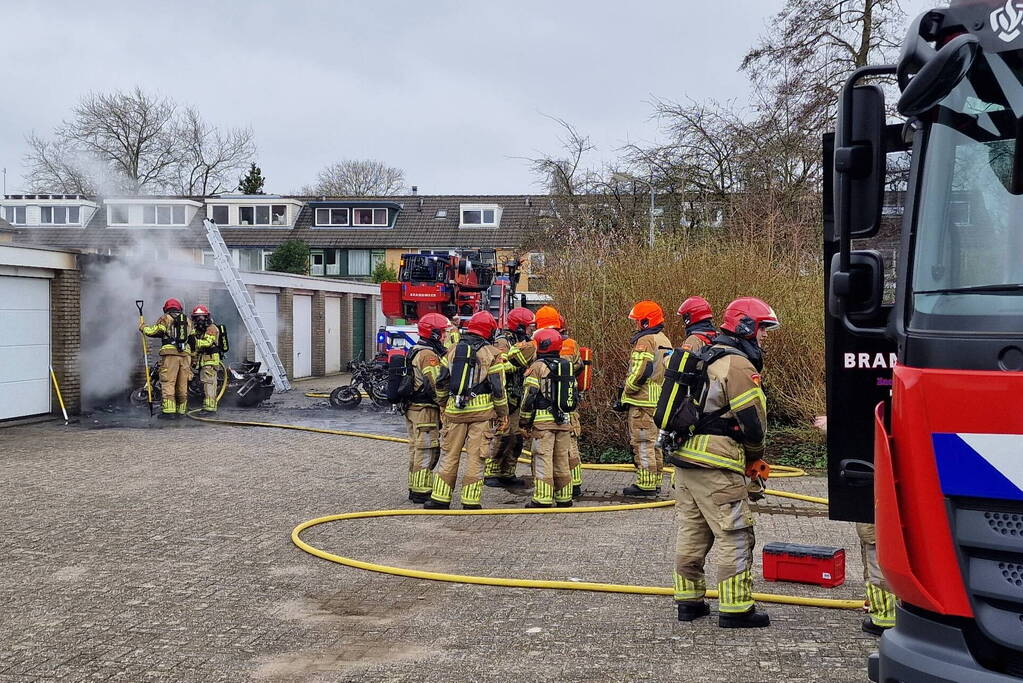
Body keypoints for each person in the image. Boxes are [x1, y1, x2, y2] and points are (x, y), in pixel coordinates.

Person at [672, 297, 778, 627]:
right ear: (746, 327)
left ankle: (689, 603)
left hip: (686, 460)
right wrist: (755, 457)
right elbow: (752, 423)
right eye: (762, 330)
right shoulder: (738, 365)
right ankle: (736, 609)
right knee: (735, 535)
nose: (763, 338)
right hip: (718, 464)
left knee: (693, 532)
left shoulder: (703, 355)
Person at [813, 415, 895, 636]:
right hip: (882, 479)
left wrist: (836, 426)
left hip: (876, 484)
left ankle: (885, 617)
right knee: (873, 544)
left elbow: (862, 429)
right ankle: (878, 606)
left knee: (876, 546)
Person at [425, 311, 508, 510]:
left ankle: (440, 498)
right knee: (476, 457)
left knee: (449, 454)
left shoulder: (452, 351)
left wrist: (443, 403)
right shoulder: (493, 354)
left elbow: (441, 381)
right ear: (489, 330)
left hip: (454, 413)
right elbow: (498, 388)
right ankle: (470, 501)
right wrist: (503, 413)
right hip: (482, 415)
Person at [619, 300, 672, 497]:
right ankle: (655, 480)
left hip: (642, 401)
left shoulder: (646, 341)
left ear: (645, 322)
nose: (635, 325)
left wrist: (627, 390)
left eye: (637, 321)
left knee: (642, 442)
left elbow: (641, 371)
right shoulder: (664, 339)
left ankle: (646, 485)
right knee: (654, 442)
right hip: (658, 399)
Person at [519, 328, 575, 507]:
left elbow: (529, 396)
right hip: (564, 421)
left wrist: (524, 421)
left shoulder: (536, 367)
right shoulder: (566, 365)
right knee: (561, 459)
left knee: (543, 458)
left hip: (543, 424)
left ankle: (542, 499)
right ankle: (564, 497)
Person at [485, 307, 536, 488]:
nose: (531, 329)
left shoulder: (527, 342)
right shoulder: (502, 341)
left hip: (518, 396)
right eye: (529, 326)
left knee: (516, 437)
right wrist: (518, 361)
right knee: (501, 435)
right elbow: (501, 366)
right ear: (520, 326)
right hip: (504, 398)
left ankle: (508, 472)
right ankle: (492, 472)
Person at [404, 313, 451, 504]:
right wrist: (444, 405)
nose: (445, 337)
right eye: (443, 333)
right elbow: (434, 383)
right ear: (434, 334)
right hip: (425, 410)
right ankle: (421, 491)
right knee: (426, 449)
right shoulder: (428, 355)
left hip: (413, 408)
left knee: (416, 448)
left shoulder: (415, 349)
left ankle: (415, 486)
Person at [139, 298, 193, 418]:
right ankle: (181, 411)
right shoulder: (188, 321)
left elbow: (156, 331)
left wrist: (143, 328)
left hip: (170, 355)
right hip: (186, 356)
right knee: (182, 384)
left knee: (168, 382)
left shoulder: (165, 318)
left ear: (166, 309)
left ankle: (169, 412)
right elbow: (193, 340)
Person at [189, 305, 221, 415]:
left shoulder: (211, 328)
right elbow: (197, 349)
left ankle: (210, 409)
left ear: (207, 317)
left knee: (209, 384)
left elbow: (207, 342)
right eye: (197, 317)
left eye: (202, 317)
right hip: (204, 360)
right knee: (205, 384)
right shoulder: (199, 330)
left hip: (210, 360)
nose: (199, 320)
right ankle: (207, 406)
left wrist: (194, 341)